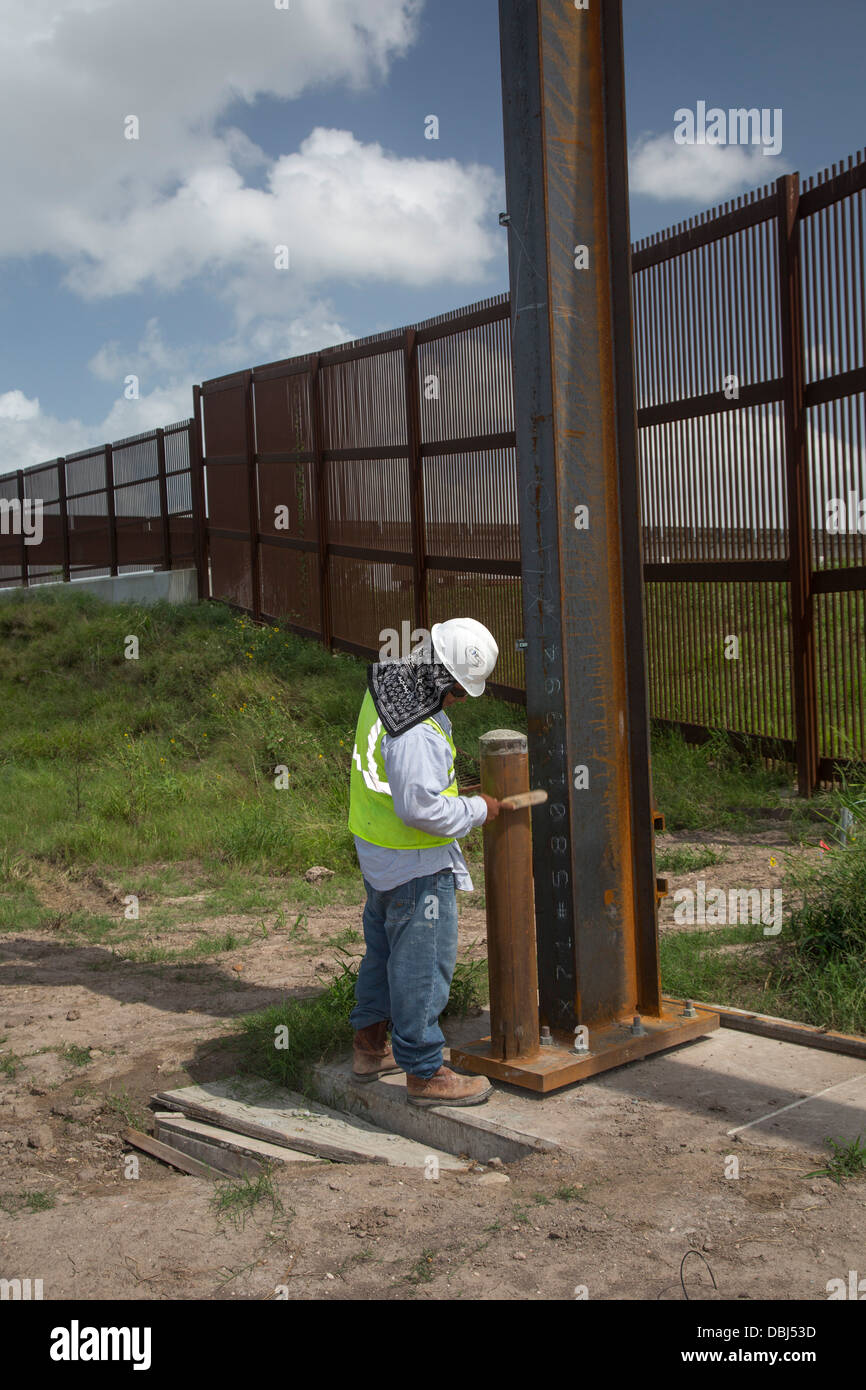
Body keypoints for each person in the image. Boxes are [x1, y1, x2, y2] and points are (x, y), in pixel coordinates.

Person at [347, 618, 500, 1106]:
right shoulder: (418, 728)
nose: (457, 699)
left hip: (378, 848)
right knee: (421, 965)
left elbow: (402, 782)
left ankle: (370, 1048)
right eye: (457, 690)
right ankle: (426, 1072)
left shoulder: (391, 682)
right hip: (413, 861)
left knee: (385, 952)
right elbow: (419, 808)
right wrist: (478, 810)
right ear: (440, 675)